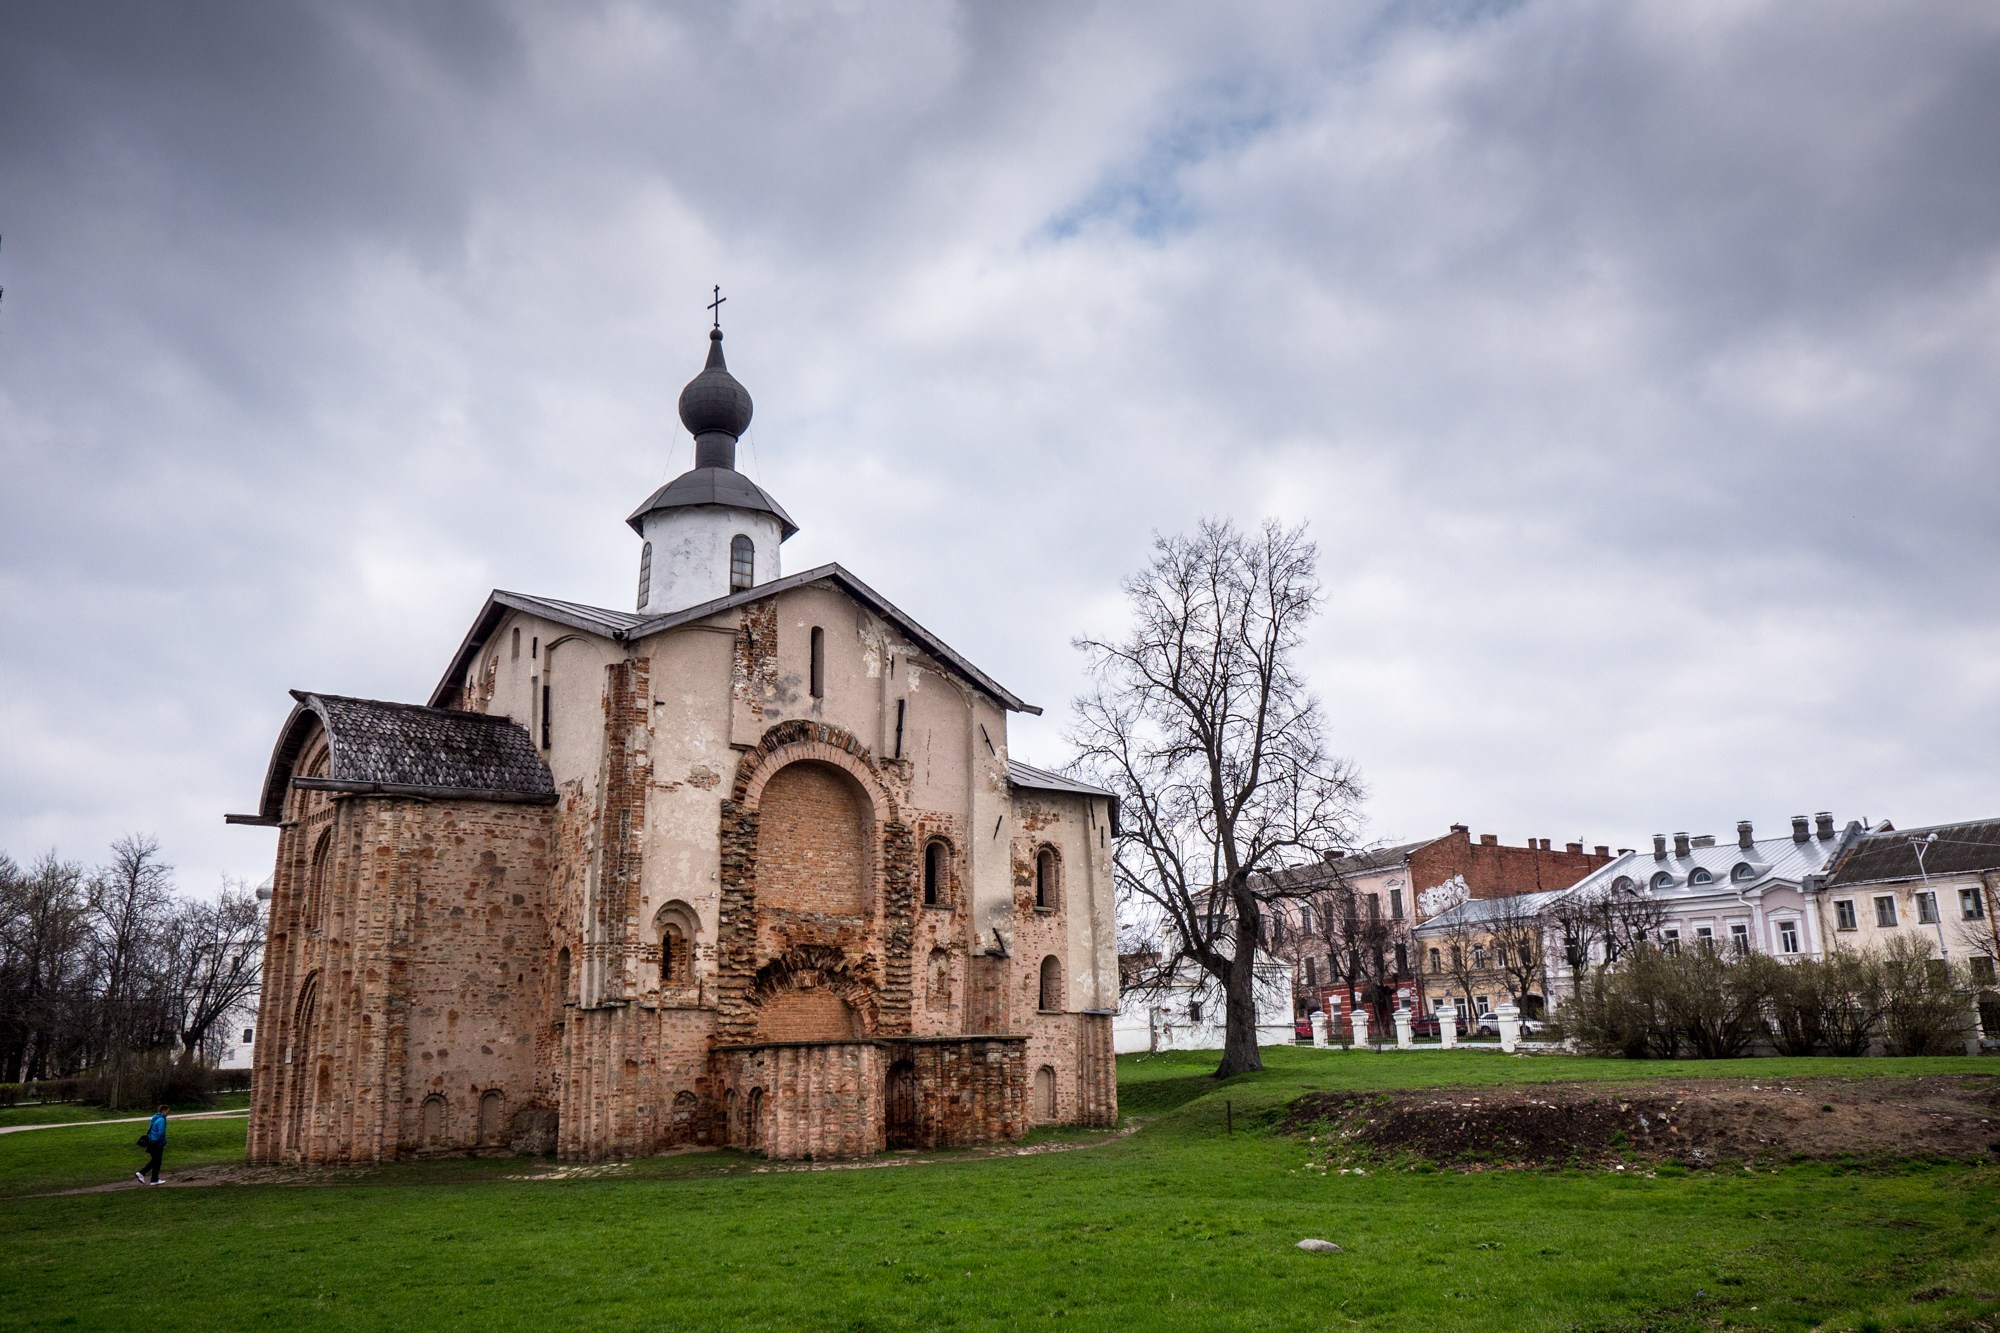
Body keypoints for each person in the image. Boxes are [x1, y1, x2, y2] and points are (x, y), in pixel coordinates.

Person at [133, 1105, 167, 1186]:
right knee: (156, 1161)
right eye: (167, 1111)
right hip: (157, 1143)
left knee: (156, 1161)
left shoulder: (154, 1118)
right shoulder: (162, 1119)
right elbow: (161, 1133)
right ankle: (141, 1173)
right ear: (163, 1111)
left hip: (151, 1141)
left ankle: (154, 1179)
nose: (168, 1113)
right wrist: (163, 1141)